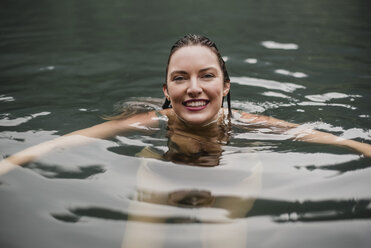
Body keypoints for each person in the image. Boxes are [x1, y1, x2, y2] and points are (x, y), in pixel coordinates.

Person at [1, 34, 370, 248]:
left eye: (206, 76)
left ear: (225, 86)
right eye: (180, 78)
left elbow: (312, 133)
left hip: (230, 174)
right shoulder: (153, 120)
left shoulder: (246, 121)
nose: (194, 88)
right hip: (163, 172)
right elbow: (76, 139)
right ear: (166, 89)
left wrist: (363, 147)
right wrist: (11, 161)